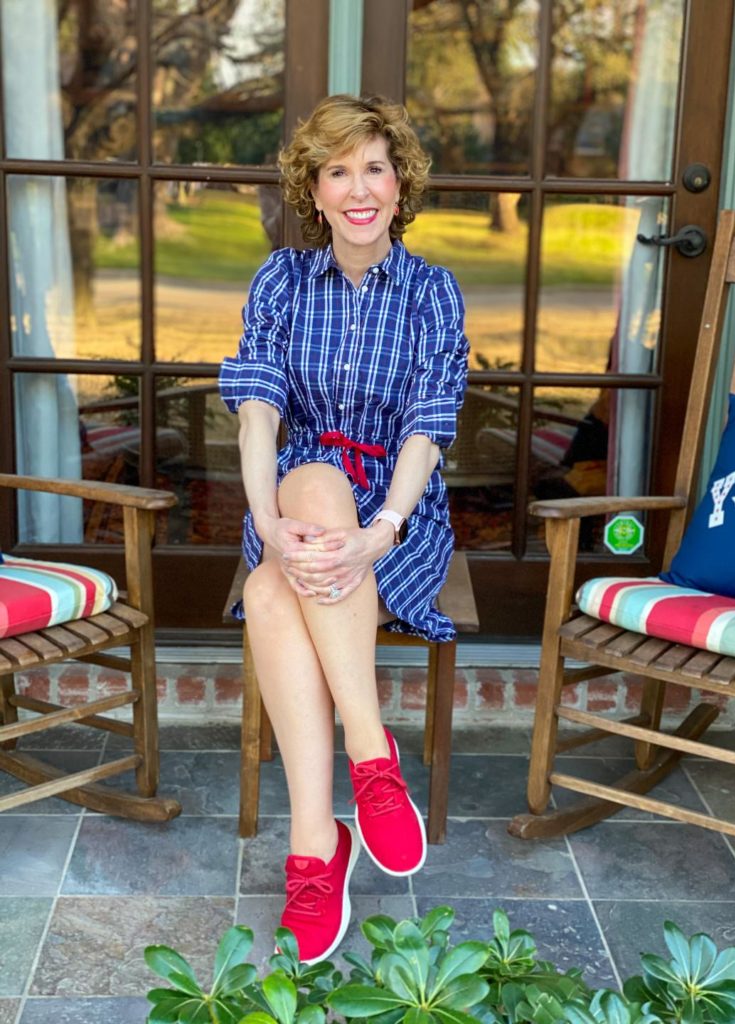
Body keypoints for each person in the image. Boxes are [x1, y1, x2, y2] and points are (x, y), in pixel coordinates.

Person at [219, 94, 469, 964]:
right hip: (295, 501)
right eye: (338, 172)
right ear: (314, 190)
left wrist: (382, 531)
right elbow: (258, 414)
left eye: (374, 168)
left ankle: (315, 844)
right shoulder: (281, 282)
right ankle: (370, 760)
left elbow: (427, 429)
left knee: (267, 593)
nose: (359, 189)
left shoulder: (434, 291)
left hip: (399, 511)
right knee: (310, 483)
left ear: (400, 184)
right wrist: (265, 522)